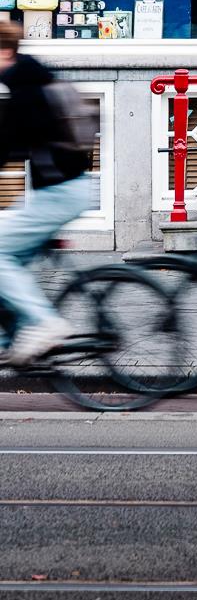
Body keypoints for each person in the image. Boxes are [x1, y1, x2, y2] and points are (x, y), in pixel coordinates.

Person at [0, 20, 96, 364]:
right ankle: (9, 340)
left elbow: (8, 145)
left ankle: (44, 323)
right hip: (64, 190)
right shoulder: (35, 79)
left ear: (5, 52)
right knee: (13, 260)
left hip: (59, 193)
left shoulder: (27, 89)